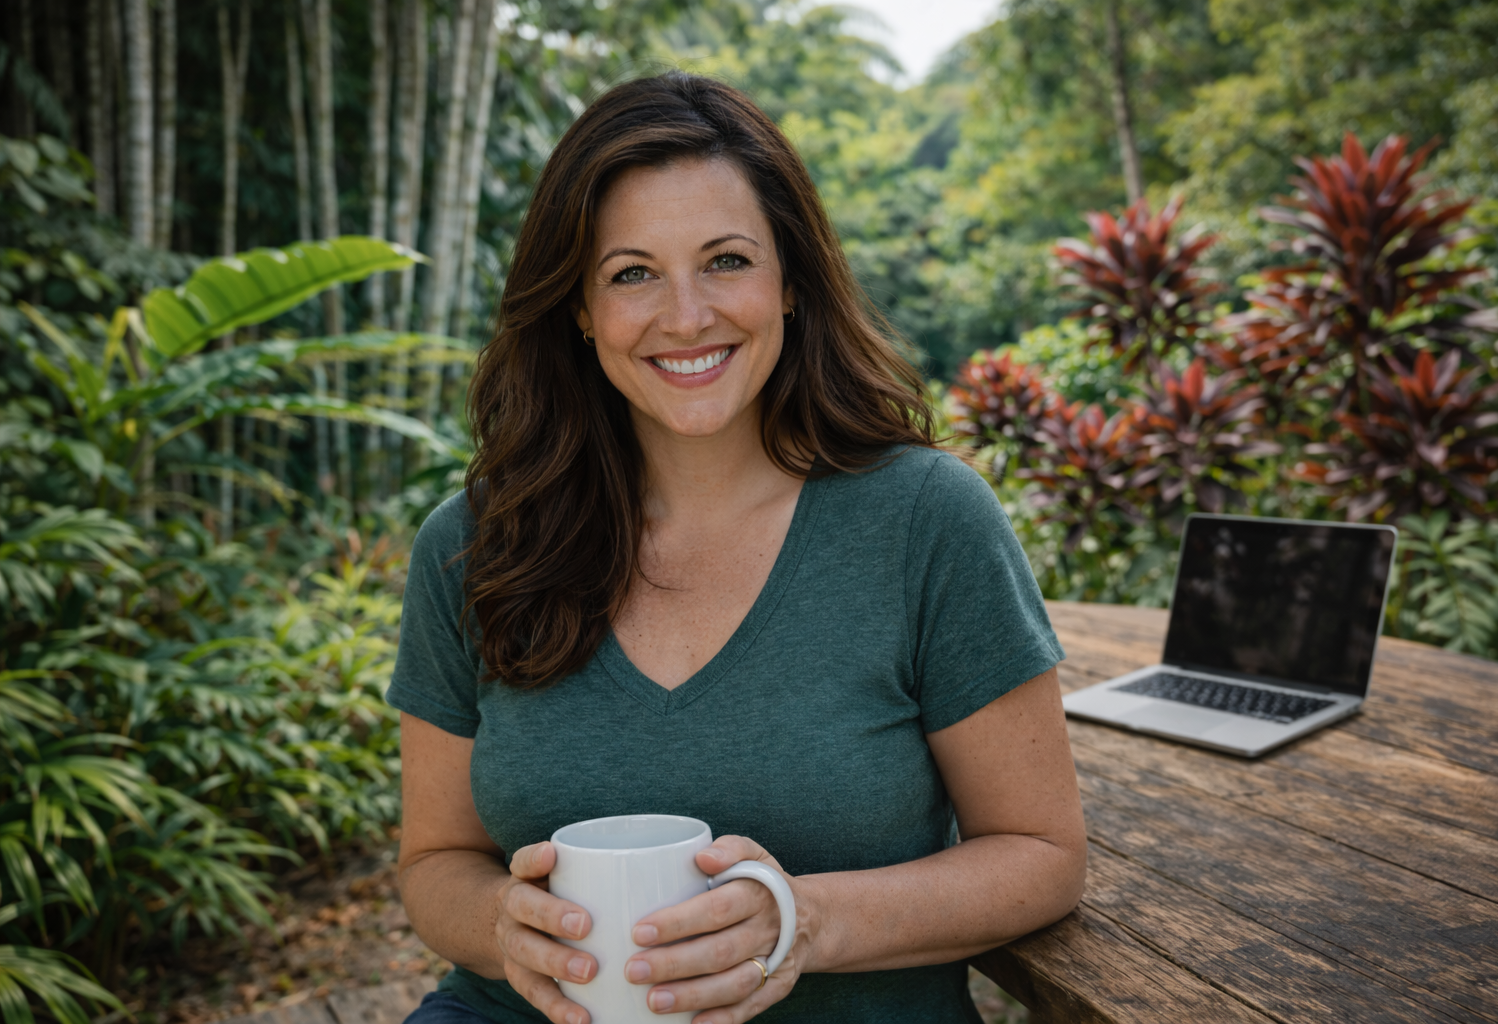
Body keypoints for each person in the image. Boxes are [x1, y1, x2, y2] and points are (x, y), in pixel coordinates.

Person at [387, 72, 1086, 1024]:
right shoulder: (470, 547)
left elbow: (1043, 858)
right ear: (580, 310)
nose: (685, 316)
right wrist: (501, 925)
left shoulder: (927, 520)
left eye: (725, 260)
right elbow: (435, 864)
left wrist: (803, 921)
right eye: (632, 272)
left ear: (790, 281)